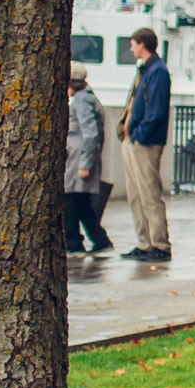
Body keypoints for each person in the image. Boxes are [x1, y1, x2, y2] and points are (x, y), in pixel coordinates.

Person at [118, 27, 173, 260]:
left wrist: (140, 133)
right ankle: (144, 242)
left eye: (132, 44)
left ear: (142, 44)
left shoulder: (157, 71)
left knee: (149, 193)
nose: (131, 48)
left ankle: (160, 244)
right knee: (135, 193)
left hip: (145, 141)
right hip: (134, 139)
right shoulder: (146, 69)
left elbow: (157, 109)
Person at [62, 62, 114, 255]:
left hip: (77, 157)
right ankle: (99, 239)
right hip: (78, 155)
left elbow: (90, 133)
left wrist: (85, 163)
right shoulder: (85, 98)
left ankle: (74, 241)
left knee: (72, 200)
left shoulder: (82, 101)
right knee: (81, 203)